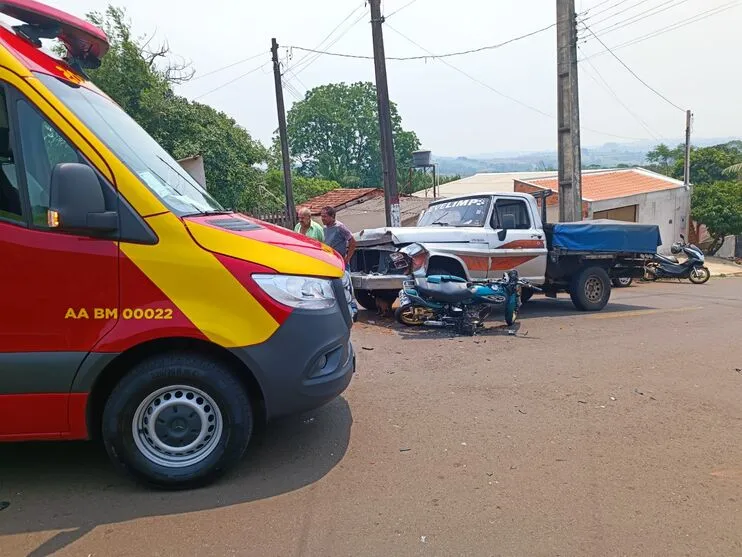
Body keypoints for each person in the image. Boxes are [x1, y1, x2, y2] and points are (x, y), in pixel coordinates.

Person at [320, 205, 358, 319]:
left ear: (332, 216)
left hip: (341, 262)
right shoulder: (324, 228)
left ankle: (353, 309)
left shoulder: (340, 227)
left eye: (325, 216)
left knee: (346, 286)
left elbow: (352, 241)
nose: (323, 219)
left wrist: (347, 258)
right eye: (321, 216)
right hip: (329, 262)